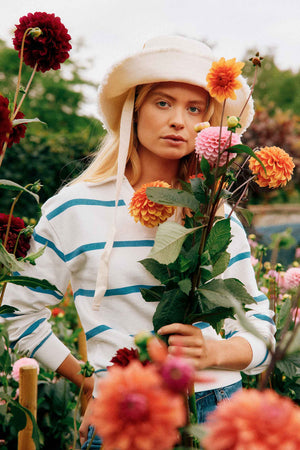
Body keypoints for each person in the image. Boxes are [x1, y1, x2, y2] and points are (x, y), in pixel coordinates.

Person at [1, 35, 276, 449]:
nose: (178, 120)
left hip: (218, 408)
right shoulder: (73, 209)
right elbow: (19, 315)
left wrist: (216, 353)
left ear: (207, 124)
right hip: (126, 412)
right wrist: (90, 381)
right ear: (134, 110)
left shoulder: (215, 214)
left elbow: (260, 328)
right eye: (163, 102)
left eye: (194, 107)